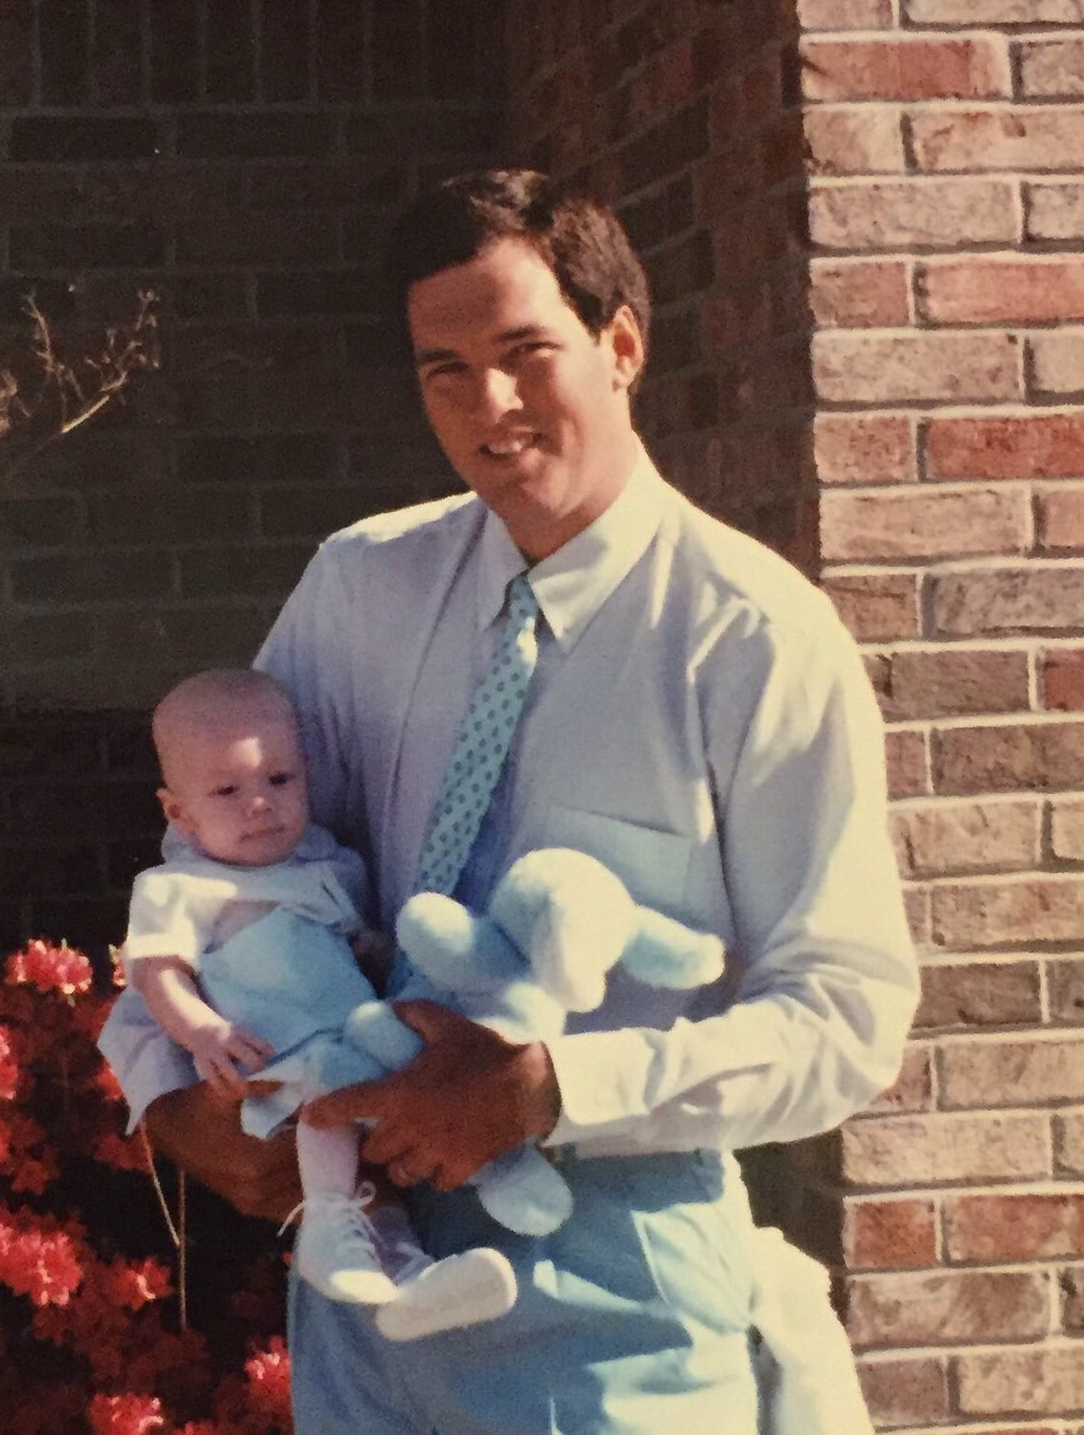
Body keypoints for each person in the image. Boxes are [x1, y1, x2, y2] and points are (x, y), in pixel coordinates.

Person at [101, 167, 918, 1433]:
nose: (486, 404)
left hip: (616, 1306)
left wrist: (549, 1092)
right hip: (367, 1297)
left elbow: (845, 1016)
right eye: (442, 369)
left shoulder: (749, 637)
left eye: (523, 353)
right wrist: (167, 1096)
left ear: (622, 345)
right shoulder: (356, 589)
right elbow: (216, 862)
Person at [123, 667, 518, 1338]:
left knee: (398, 1124)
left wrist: (371, 952)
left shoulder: (327, 865)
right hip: (272, 1046)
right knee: (333, 1107)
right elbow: (159, 974)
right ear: (178, 814)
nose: (260, 804)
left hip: (354, 1032)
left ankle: (412, 1280)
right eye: (228, 790)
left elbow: (353, 940)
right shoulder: (182, 887)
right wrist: (204, 1033)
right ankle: (331, 1234)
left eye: (280, 781)